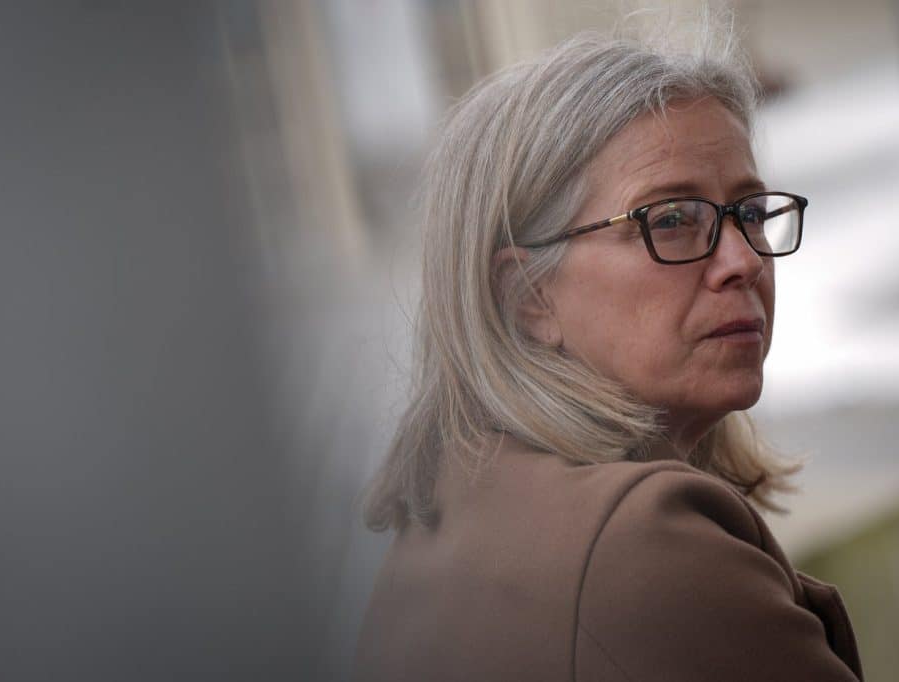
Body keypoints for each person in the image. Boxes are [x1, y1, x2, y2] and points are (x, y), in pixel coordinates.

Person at [353, 30, 864, 682]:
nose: (743, 260)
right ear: (529, 295)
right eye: (671, 219)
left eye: (752, 211)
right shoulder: (649, 549)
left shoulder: (451, 506)